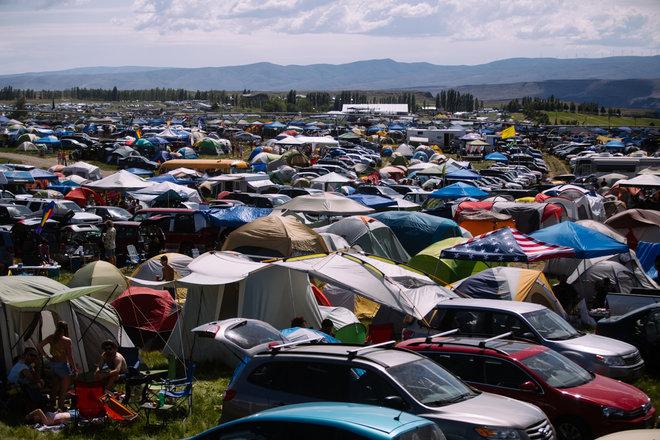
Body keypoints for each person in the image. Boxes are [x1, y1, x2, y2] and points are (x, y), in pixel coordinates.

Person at [38, 321, 77, 410]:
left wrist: (47, 357)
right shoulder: (67, 340)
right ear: (66, 329)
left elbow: (39, 346)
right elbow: (70, 356)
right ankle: (61, 405)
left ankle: (52, 405)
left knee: (55, 387)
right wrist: (74, 368)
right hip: (62, 365)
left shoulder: (51, 337)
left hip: (53, 364)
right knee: (64, 388)